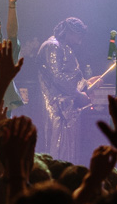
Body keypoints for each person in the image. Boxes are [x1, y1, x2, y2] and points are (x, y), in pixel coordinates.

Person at [37, 17, 99, 163]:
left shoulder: (63, 47)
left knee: (66, 155)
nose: (80, 41)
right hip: (56, 109)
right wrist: (78, 95)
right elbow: (57, 76)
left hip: (66, 110)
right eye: (79, 35)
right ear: (70, 31)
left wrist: (87, 83)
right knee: (56, 152)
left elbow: (70, 77)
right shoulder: (52, 46)